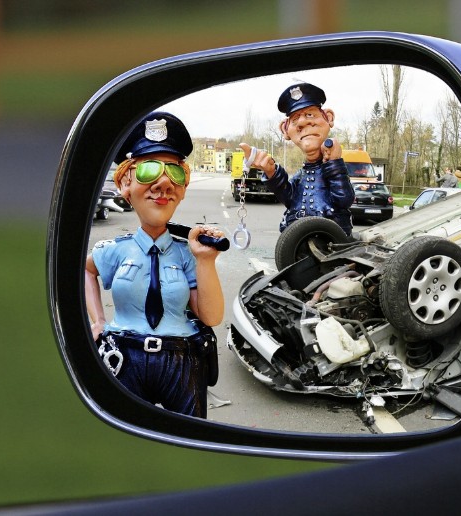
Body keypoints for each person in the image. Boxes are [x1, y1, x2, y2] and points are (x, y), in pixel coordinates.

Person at [84, 112, 226, 419]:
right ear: (125, 183)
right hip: (125, 358)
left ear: (183, 187)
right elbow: (86, 269)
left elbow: (211, 315)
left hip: (181, 360)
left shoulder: (186, 253)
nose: (163, 183)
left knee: (189, 434)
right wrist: (97, 322)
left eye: (174, 173)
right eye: (149, 170)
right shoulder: (115, 250)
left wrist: (205, 260)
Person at [240, 82, 355, 235]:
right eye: (295, 120)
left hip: (330, 240)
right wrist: (271, 172)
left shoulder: (329, 169)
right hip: (296, 242)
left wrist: (334, 164)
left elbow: (344, 200)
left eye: (310, 115)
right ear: (285, 129)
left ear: (328, 117)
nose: (302, 122)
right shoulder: (301, 176)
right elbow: (289, 198)